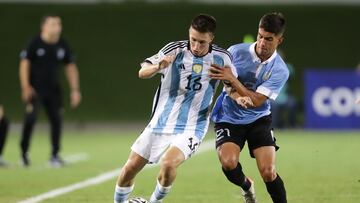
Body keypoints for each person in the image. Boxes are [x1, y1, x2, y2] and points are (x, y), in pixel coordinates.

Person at [114, 14, 236, 203]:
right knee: (129, 170)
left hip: (193, 126)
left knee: (168, 163)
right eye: (193, 39)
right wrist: (157, 67)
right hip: (161, 121)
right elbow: (142, 72)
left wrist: (238, 96)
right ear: (189, 33)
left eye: (202, 42)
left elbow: (231, 86)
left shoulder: (222, 58)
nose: (196, 46)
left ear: (211, 38)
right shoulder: (174, 49)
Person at [209, 12, 289, 203]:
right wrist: (235, 94)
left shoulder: (280, 70)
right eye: (260, 36)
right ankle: (247, 186)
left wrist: (233, 80)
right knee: (228, 163)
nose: (262, 43)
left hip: (258, 119)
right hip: (228, 115)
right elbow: (224, 83)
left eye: (269, 39)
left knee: (269, 172)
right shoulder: (235, 52)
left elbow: (256, 101)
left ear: (280, 40)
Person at [19, 14, 81, 167]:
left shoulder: (62, 45)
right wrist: (26, 86)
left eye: (59, 24)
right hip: (35, 89)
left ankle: (54, 155)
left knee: (57, 121)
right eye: (53, 24)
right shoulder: (35, 43)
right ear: (44, 27)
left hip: (54, 90)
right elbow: (24, 64)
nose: (57, 27)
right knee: (31, 119)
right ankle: (24, 154)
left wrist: (75, 90)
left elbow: (70, 67)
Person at [270, 49, 297, 128]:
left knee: (292, 104)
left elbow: (291, 73)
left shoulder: (287, 67)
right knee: (273, 106)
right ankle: (275, 127)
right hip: (272, 97)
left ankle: (292, 126)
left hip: (285, 97)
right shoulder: (269, 67)